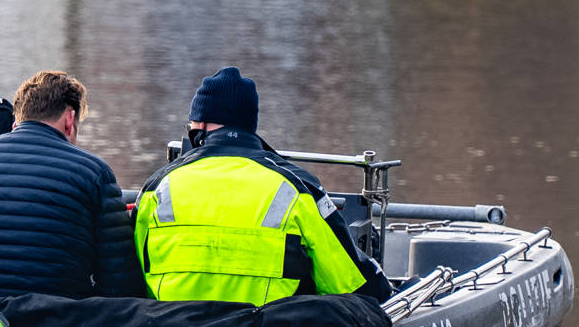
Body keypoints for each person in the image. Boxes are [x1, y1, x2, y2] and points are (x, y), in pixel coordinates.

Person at [134, 67, 390, 305]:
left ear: (200, 125)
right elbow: (350, 282)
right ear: (250, 126)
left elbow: (128, 275)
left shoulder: (158, 186)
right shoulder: (297, 187)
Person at [0, 69, 145, 302]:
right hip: (53, 323)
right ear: (69, 120)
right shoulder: (93, 171)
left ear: (16, 121)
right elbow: (119, 280)